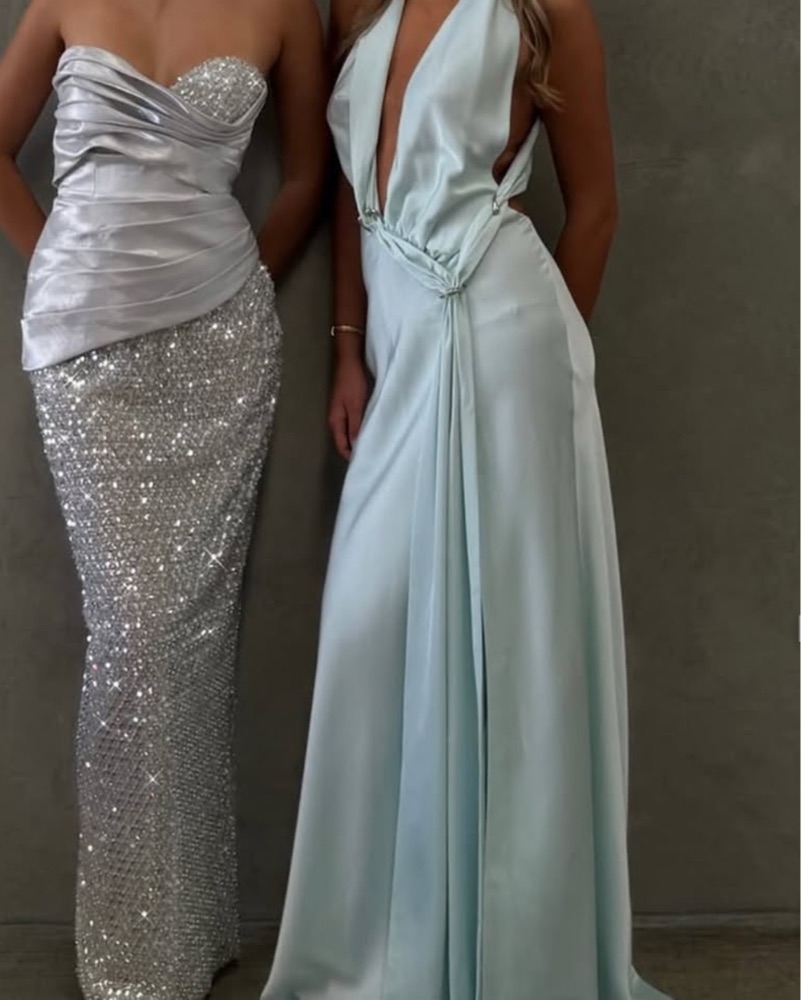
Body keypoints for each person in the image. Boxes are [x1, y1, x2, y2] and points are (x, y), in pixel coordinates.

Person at [262, 0, 672, 997]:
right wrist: (347, 350)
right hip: (397, 353)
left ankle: (516, 959)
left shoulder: (544, 9)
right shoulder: (362, 8)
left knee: (512, 648)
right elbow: (357, 196)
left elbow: (596, 206)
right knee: (372, 623)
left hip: (505, 346)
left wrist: (540, 365)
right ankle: (389, 948)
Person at [0, 1, 326, 997]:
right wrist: (60, 262)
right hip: (85, 346)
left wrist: (242, 283)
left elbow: (310, 174)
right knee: (131, 636)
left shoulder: (283, 9)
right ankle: (135, 958)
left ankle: (193, 928)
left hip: (221, 341)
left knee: (191, 641)